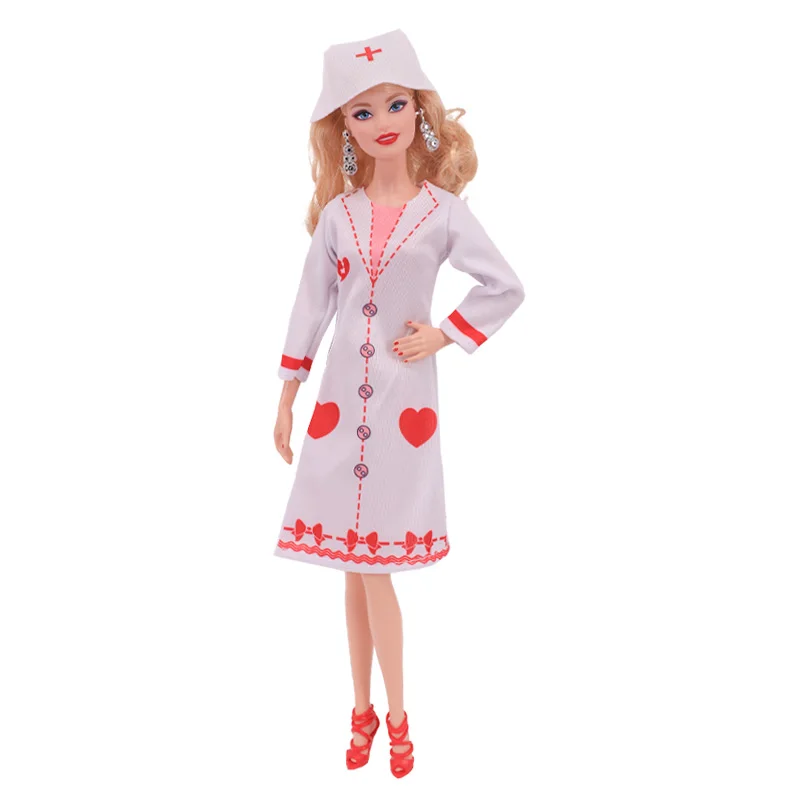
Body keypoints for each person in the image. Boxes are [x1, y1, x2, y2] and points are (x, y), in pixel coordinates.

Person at [272, 29, 525, 777]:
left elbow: (505, 285)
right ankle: (362, 709)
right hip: (335, 408)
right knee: (353, 571)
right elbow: (311, 306)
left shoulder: (442, 212)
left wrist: (445, 334)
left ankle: (399, 714)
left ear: (419, 111)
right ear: (344, 130)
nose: (383, 121)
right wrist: (286, 395)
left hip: (403, 403)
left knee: (374, 567)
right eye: (362, 112)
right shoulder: (338, 217)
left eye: (396, 104)